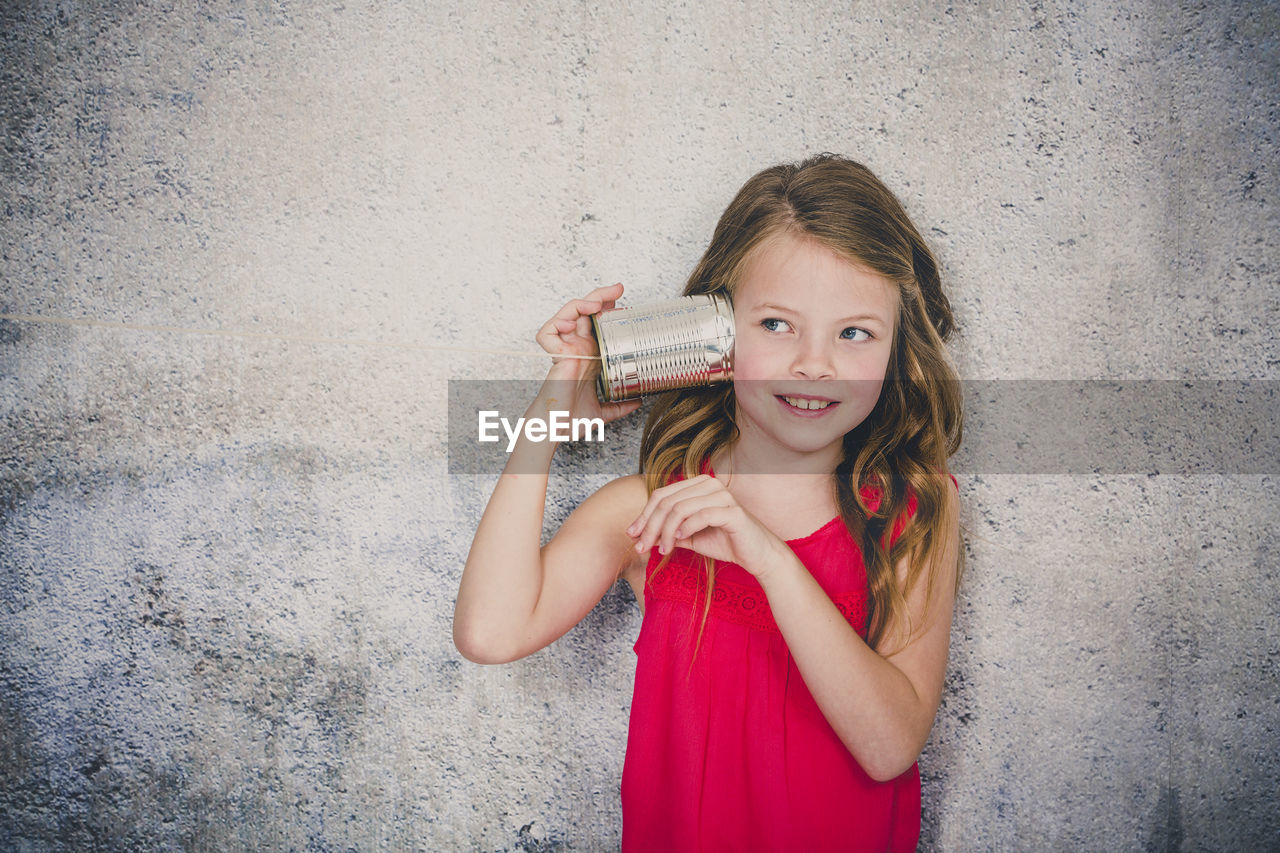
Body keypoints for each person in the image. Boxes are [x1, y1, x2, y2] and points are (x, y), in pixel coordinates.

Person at [454, 153, 963, 852]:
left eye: (854, 333)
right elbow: (490, 631)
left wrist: (767, 556)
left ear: (895, 349)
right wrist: (551, 410)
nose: (813, 363)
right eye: (777, 324)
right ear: (714, 332)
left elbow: (888, 746)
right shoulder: (654, 512)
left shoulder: (914, 508)